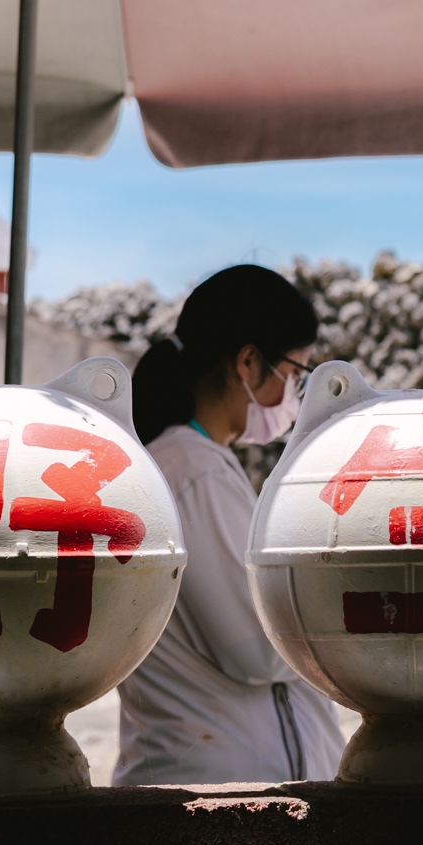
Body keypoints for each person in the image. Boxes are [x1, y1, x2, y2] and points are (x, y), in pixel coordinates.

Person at [114, 264, 345, 786]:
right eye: (296, 373)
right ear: (248, 361)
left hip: (221, 783)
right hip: (217, 795)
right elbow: (261, 649)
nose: (296, 393)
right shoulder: (191, 471)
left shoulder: (194, 463)